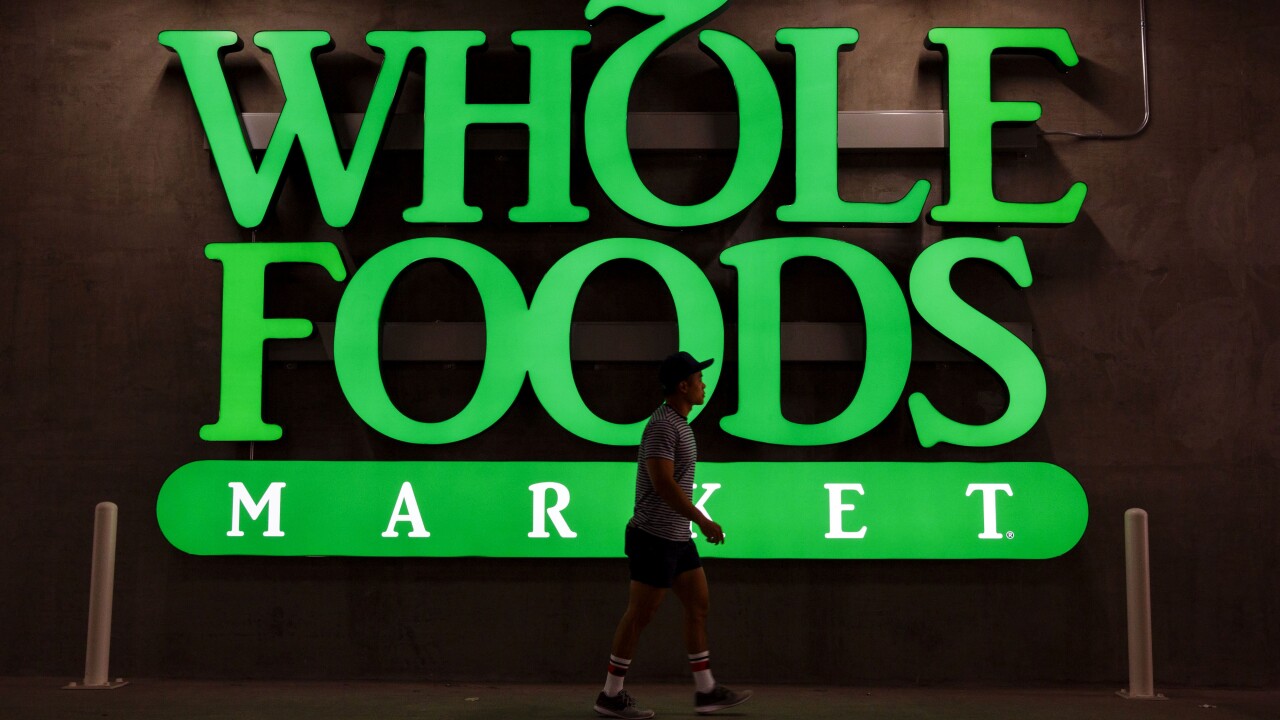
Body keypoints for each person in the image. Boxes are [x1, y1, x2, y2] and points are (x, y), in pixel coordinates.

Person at [593, 351, 752, 719]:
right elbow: (663, 484)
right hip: (653, 537)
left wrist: (689, 526)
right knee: (639, 616)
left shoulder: (681, 425)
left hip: (676, 539)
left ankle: (706, 691)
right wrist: (703, 520)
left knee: (698, 604)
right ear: (683, 386)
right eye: (699, 379)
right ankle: (610, 695)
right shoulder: (663, 426)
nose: (704, 385)